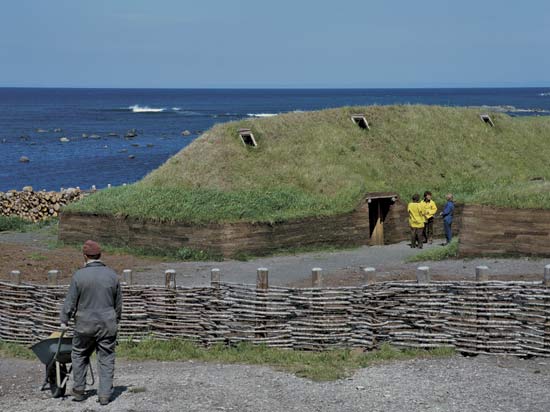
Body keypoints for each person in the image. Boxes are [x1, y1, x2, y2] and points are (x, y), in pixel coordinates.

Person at [60, 240, 122, 406]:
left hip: (84, 325)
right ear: (100, 255)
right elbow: (118, 303)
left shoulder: (79, 276)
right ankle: (104, 395)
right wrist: (116, 320)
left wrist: (64, 320)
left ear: (85, 256)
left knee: (79, 354)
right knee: (106, 357)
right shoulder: (112, 275)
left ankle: (79, 391)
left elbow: (70, 302)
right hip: (107, 323)